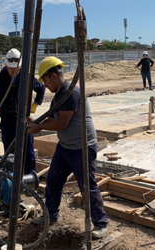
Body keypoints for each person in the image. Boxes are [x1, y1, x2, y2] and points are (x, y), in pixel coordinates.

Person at [28, 57, 108, 239]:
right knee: (53, 182)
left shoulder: (71, 93)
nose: (45, 85)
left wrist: (39, 128)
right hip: (65, 147)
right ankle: (51, 215)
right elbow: (53, 118)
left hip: (82, 147)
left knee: (87, 187)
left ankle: (100, 224)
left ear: (53, 76)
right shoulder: (59, 95)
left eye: (46, 81)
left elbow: (62, 123)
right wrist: (37, 123)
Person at [0, 48, 45, 174]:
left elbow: (41, 89)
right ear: (6, 65)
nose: (14, 71)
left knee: (28, 152)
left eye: (17, 69)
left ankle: (29, 178)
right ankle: (12, 178)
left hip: (24, 121)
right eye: (11, 69)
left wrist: (36, 104)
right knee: (10, 154)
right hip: (7, 122)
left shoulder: (27, 77)